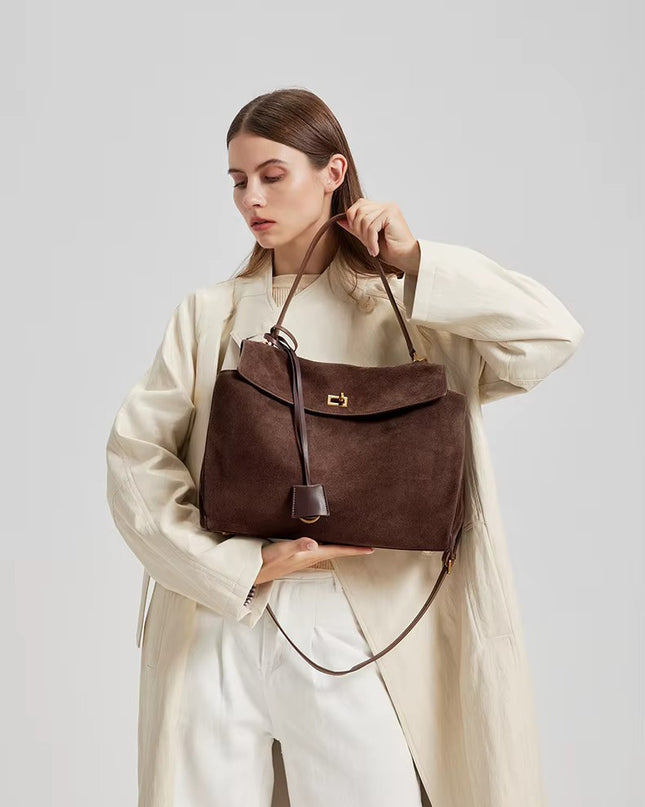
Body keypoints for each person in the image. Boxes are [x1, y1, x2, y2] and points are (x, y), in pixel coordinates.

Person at [106, 88, 584, 807]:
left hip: (362, 620)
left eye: (272, 175)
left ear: (333, 173)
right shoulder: (211, 314)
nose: (251, 198)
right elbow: (134, 462)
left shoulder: (415, 310)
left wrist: (416, 260)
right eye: (238, 181)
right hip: (220, 614)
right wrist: (240, 565)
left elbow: (549, 335)